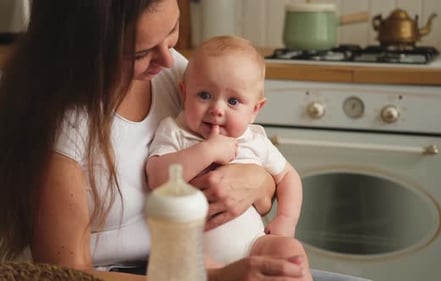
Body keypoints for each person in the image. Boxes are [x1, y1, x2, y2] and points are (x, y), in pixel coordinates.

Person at [0, 0, 309, 280]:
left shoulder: (173, 71)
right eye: (140, 52)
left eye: (172, 30)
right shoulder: (60, 123)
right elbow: (65, 276)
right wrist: (216, 278)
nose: (167, 58)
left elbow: (264, 179)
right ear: (90, 47)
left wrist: (256, 180)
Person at [146, 35, 310, 279]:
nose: (217, 109)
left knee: (290, 251)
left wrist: (287, 218)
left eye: (233, 101)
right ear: (184, 92)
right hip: (196, 250)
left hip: (254, 244)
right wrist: (207, 151)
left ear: (255, 110)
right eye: (204, 95)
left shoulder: (254, 139)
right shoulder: (175, 131)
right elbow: (157, 178)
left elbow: (288, 176)